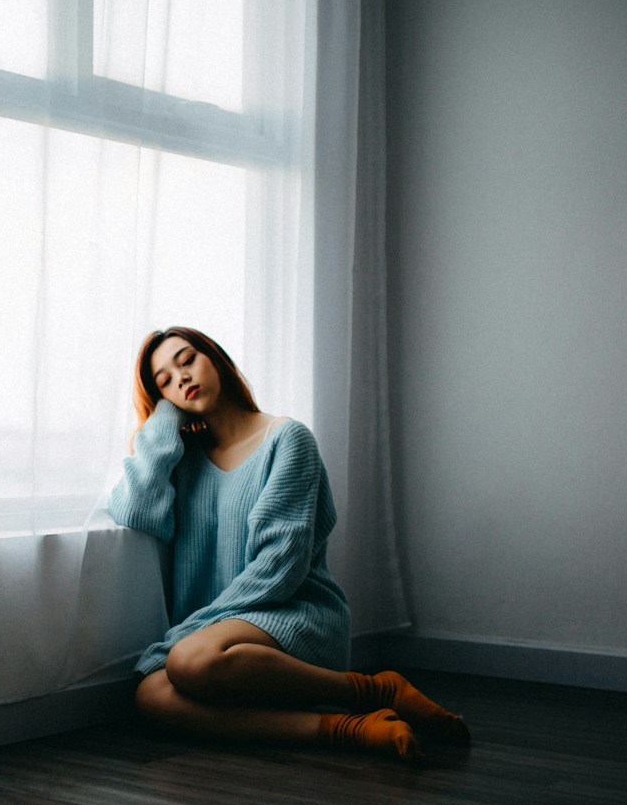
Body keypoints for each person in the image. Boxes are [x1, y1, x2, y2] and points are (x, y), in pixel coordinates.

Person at [107, 327, 469, 763]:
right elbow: (134, 509)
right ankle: (343, 729)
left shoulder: (286, 439)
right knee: (151, 696)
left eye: (187, 360)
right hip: (217, 639)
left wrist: (189, 634)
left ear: (216, 358)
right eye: (164, 381)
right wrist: (166, 417)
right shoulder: (184, 461)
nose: (181, 378)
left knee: (187, 660)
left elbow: (280, 566)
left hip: (292, 612)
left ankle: (372, 689)